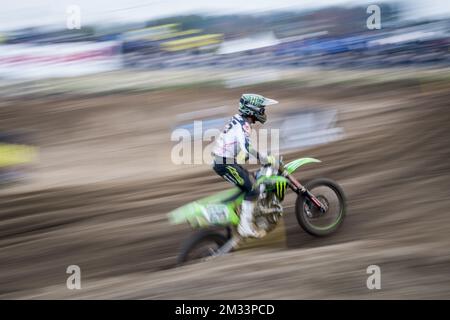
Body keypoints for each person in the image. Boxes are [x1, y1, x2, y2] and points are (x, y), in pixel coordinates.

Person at [211, 93, 278, 238]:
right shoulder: (244, 125)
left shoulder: (238, 119)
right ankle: (245, 227)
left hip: (226, 161)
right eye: (261, 109)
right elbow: (247, 148)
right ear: (252, 109)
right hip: (225, 163)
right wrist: (264, 159)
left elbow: (239, 147)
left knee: (251, 180)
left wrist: (252, 156)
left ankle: (242, 213)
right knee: (253, 190)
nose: (263, 112)